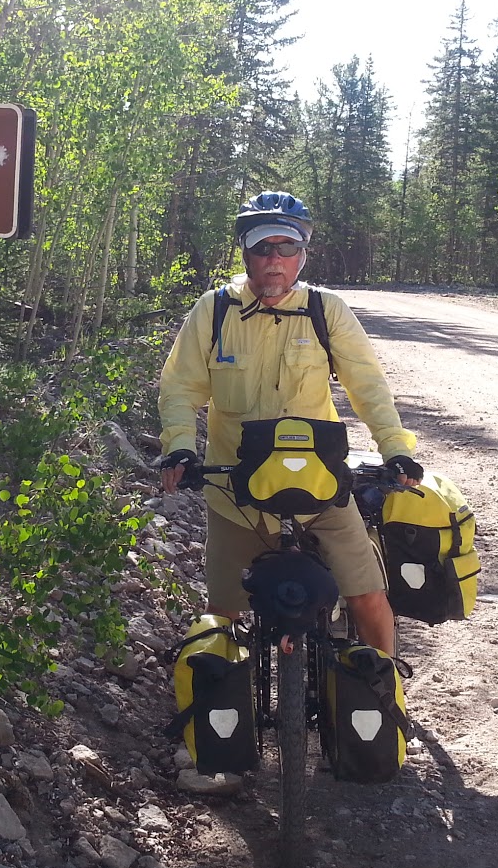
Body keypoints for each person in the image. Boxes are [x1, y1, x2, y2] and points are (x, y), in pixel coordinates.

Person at [157, 191, 422, 658]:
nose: (274, 260)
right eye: (262, 247)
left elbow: (368, 387)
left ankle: (386, 690)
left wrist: (395, 448)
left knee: (367, 594)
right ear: (245, 253)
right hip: (237, 495)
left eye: (286, 248)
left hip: (319, 490)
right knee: (223, 612)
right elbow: (181, 387)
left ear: (303, 255)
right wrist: (180, 446)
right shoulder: (214, 310)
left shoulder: (326, 310)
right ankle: (225, 706)